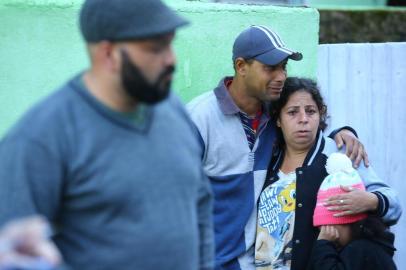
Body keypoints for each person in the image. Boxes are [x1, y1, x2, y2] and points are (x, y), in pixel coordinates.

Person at [0, 0, 214, 269]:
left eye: (171, 44)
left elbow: (201, 204)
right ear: (109, 53)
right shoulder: (39, 139)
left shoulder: (172, 110)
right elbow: (14, 255)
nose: (171, 59)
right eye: (156, 48)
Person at [187, 26, 368, 270]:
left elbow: (308, 128)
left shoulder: (273, 117)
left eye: (283, 67)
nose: (281, 76)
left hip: (256, 263)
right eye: (270, 68)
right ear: (241, 67)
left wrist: (341, 134)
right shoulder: (198, 118)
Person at [254, 77, 401, 270]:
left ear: (320, 114)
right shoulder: (267, 159)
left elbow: (394, 204)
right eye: (292, 112)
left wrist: (371, 201)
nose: (304, 119)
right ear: (278, 119)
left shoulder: (339, 154)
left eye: (311, 111)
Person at [308, 156, 397, 270]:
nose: (325, 233)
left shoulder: (361, 250)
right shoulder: (365, 248)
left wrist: (323, 246)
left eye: (328, 226)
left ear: (348, 222)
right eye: (322, 229)